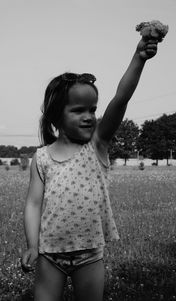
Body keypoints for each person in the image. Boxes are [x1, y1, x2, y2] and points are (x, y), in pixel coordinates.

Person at [21, 37, 159, 301]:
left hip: (90, 256)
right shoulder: (41, 157)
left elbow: (121, 98)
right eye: (78, 110)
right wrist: (32, 244)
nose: (89, 116)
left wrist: (139, 58)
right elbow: (33, 204)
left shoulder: (96, 145)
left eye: (92, 109)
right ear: (55, 115)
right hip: (49, 254)